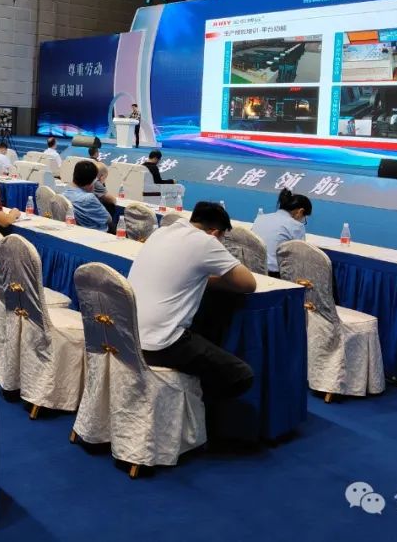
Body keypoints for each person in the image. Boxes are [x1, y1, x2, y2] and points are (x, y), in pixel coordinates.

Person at [129, 202, 256, 399]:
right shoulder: (206, 242)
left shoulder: (161, 232)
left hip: (129, 334)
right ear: (215, 233)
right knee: (241, 375)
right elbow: (248, 283)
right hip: (160, 343)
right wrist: (207, 278)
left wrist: (198, 277)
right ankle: (200, 412)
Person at [250, 188, 312, 273]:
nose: (303, 221)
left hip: (252, 269)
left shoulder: (260, 218)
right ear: (300, 212)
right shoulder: (297, 226)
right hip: (275, 274)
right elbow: (300, 258)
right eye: (304, 218)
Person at [62, 160, 111, 232]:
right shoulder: (89, 198)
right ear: (92, 182)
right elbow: (108, 219)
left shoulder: (64, 194)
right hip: (96, 234)